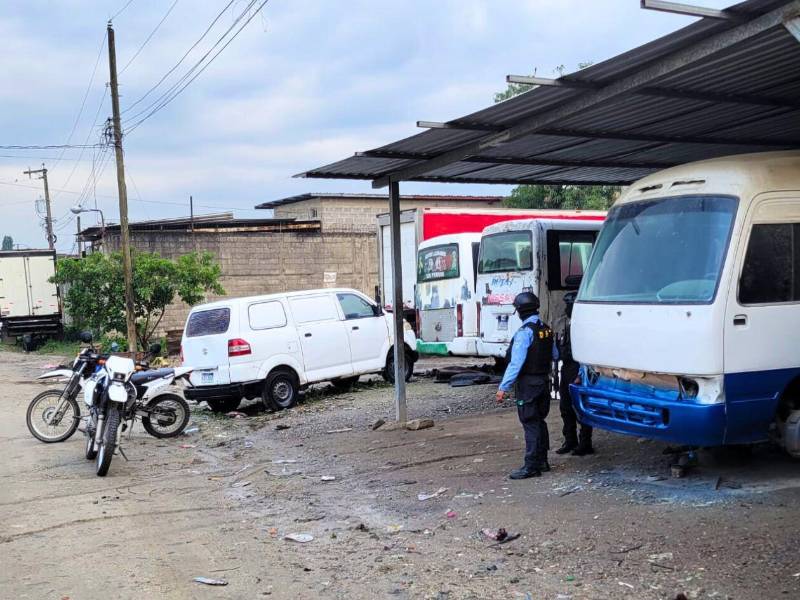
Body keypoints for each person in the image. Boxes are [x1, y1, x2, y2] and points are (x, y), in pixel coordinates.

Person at [495, 291, 558, 479]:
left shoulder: (524, 333)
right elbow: (555, 355)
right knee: (539, 420)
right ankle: (543, 461)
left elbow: (516, 363)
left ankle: (531, 466)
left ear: (520, 311)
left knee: (530, 423)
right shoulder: (546, 329)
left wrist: (503, 388)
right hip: (544, 382)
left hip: (528, 385)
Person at [555, 292, 594, 456]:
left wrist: (581, 374)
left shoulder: (585, 326)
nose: (567, 308)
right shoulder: (563, 323)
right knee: (565, 407)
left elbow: (588, 354)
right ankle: (570, 440)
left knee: (581, 408)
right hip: (566, 368)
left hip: (579, 369)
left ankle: (585, 443)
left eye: (569, 305)